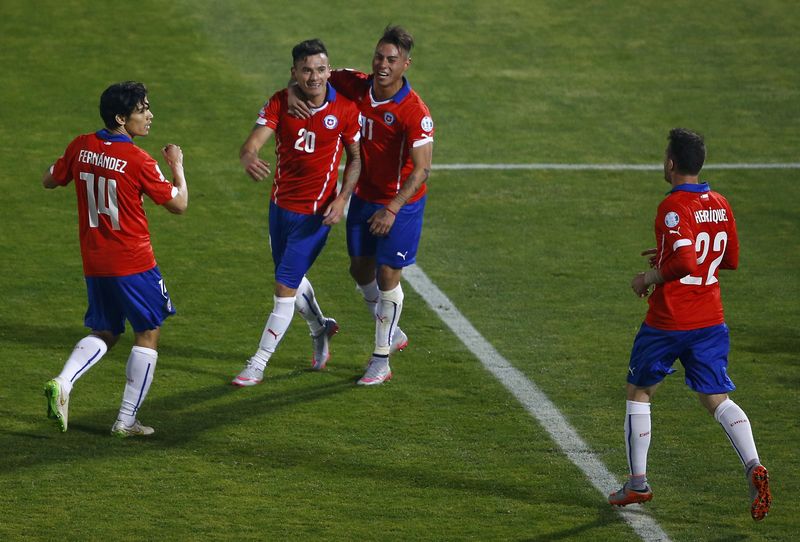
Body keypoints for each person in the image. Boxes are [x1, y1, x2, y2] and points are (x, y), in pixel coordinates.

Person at [608, 128, 771, 521]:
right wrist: (665, 254)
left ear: (670, 163)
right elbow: (727, 260)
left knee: (640, 391)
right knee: (716, 398)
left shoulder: (672, 208)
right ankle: (753, 466)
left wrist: (648, 278)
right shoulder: (720, 203)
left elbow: (685, 263)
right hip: (710, 320)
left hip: (668, 321)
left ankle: (637, 484)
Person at [289, 25, 434, 386]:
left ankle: (381, 358)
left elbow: (422, 169)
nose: (383, 65)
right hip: (364, 195)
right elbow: (313, 78)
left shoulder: (415, 112)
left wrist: (393, 208)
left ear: (406, 64)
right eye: (379, 56)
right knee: (360, 270)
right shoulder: (354, 83)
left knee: (387, 277)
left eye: (392, 60)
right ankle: (393, 331)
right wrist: (293, 90)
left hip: (401, 202)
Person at [42, 81, 189, 438]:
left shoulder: (80, 145)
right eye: (142, 110)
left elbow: (50, 180)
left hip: (95, 261)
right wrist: (177, 166)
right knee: (148, 333)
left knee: (106, 330)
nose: (150, 115)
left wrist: (71, 164)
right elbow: (179, 204)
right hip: (134, 263)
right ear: (121, 118)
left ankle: (63, 382)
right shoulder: (139, 160)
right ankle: (125, 420)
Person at [231, 38, 362, 387]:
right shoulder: (280, 101)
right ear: (294, 73)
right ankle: (321, 328)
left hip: (315, 216)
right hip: (279, 208)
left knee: (283, 287)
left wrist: (342, 198)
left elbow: (356, 158)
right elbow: (253, 142)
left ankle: (257, 363)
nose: (314, 76)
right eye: (306, 70)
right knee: (291, 279)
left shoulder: (345, 110)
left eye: (320, 69)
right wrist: (248, 156)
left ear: (329, 70)